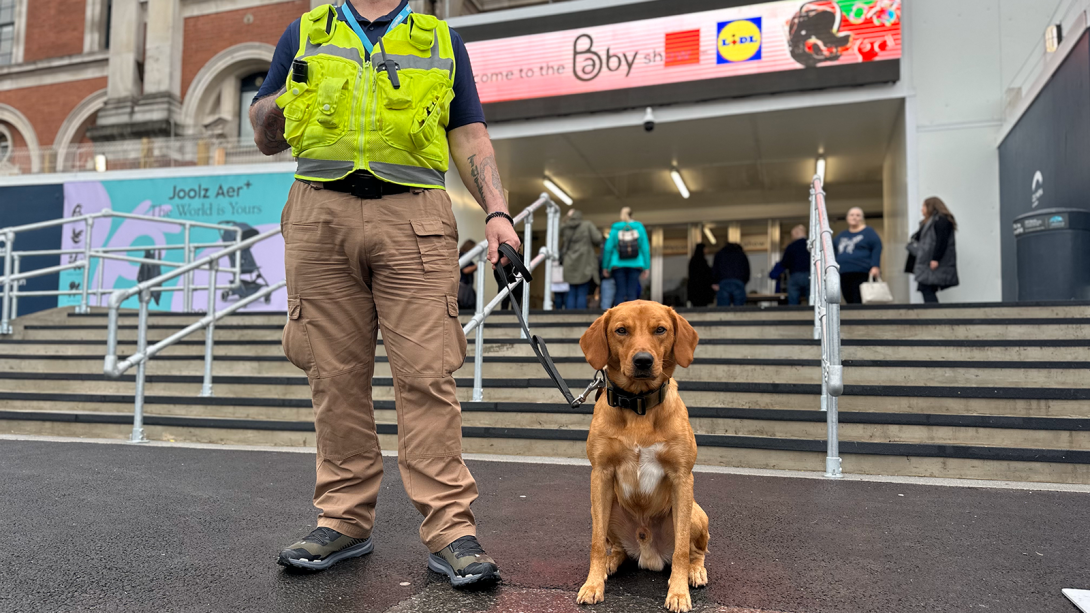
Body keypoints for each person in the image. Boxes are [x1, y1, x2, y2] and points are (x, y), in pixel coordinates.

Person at [250, 0, 520, 586]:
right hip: (320, 213)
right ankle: (343, 518)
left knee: (428, 374)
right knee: (333, 375)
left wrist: (497, 211)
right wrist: (286, 94)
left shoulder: (439, 39)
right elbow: (266, 136)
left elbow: (468, 132)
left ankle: (451, 529)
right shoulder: (304, 32)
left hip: (415, 216)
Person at [910, 197, 959, 303]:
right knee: (927, 287)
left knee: (926, 288)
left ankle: (933, 314)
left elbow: (942, 241)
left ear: (930, 207)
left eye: (924, 206)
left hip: (931, 262)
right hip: (927, 261)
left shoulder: (940, 221)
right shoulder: (929, 222)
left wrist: (936, 258)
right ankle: (933, 313)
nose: (921, 209)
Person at [834, 207, 882, 304]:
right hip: (844, 272)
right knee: (848, 298)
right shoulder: (841, 235)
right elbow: (833, 249)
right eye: (852, 215)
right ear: (847, 218)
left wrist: (875, 265)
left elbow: (877, 247)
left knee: (859, 299)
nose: (854, 217)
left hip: (862, 271)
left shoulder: (868, 232)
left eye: (857, 215)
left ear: (861, 218)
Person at [603, 207, 650, 304]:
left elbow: (608, 248)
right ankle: (632, 318)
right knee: (632, 293)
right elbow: (645, 248)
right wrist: (646, 267)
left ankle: (618, 318)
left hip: (617, 264)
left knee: (620, 292)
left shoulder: (615, 228)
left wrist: (605, 267)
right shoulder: (639, 227)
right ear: (632, 215)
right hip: (636, 263)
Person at [560, 209, 603, 310]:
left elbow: (559, 229)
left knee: (571, 292)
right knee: (582, 293)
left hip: (569, 262)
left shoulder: (565, 227)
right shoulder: (587, 225)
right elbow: (598, 238)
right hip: (585, 262)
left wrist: (567, 217)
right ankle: (579, 318)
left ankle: (569, 318)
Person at [778, 225, 811, 305]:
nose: (792, 237)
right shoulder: (812, 245)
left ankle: (793, 315)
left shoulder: (791, 246)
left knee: (793, 300)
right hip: (810, 275)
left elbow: (784, 263)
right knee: (812, 299)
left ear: (796, 234)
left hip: (795, 275)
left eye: (792, 235)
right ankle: (813, 315)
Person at [712, 242, 750, 306]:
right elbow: (746, 271)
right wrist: (743, 282)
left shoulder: (719, 254)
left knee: (723, 309)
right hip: (738, 282)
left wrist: (714, 282)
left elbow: (715, 270)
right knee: (739, 309)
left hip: (723, 283)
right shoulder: (741, 254)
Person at [458, 240, 477, 310]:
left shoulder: (460, 255)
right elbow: (465, 270)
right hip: (464, 287)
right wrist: (477, 266)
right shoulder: (464, 256)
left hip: (463, 287)